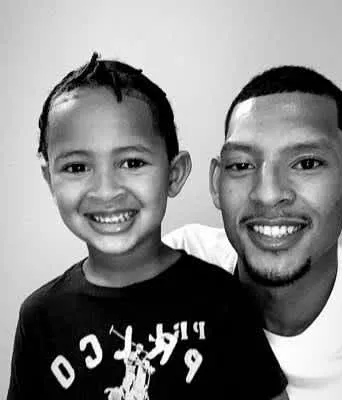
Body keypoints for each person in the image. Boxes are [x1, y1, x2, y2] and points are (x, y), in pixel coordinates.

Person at [7, 54, 288, 400]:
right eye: (77, 167)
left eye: (132, 162)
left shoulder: (223, 298)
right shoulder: (40, 317)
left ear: (174, 174)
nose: (106, 191)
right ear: (49, 178)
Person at [164, 65, 342, 399]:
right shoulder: (176, 268)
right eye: (241, 165)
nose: (268, 194)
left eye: (306, 163)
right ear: (217, 184)